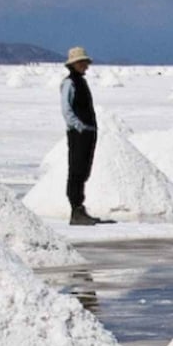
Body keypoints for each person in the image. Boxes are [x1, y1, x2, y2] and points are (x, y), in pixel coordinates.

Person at [60, 46, 109, 225]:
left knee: (83, 170)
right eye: (82, 63)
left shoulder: (81, 81)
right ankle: (76, 210)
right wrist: (78, 126)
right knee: (76, 170)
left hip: (88, 132)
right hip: (78, 133)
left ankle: (80, 209)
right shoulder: (69, 83)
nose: (85, 66)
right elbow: (66, 109)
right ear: (74, 64)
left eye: (85, 63)